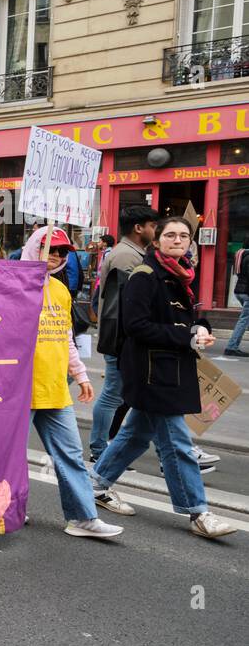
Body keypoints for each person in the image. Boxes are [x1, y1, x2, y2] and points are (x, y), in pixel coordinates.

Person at [89, 217, 236, 539]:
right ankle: (198, 511)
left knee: (136, 435)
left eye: (184, 235)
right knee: (177, 443)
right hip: (150, 371)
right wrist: (186, 336)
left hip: (170, 368)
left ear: (190, 241)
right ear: (157, 240)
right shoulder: (145, 275)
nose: (177, 240)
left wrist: (202, 328)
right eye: (170, 234)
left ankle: (95, 484)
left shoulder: (181, 273)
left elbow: (186, 317)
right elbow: (136, 326)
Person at [19, 227, 122, 538]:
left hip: (54, 386)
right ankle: (7, 508)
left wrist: (80, 375)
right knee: (8, 457)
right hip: (17, 388)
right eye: (49, 248)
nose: (56, 256)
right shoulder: (10, 286)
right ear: (33, 247)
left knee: (72, 454)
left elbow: (65, 339)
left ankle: (82, 517)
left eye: (63, 252)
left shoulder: (62, 291)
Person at [91, 206, 157, 463]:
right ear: (138, 228)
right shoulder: (126, 256)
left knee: (123, 393)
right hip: (120, 337)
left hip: (123, 336)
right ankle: (99, 448)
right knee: (113, 393)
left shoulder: (133, 253)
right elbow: (124, 304)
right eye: (152, 225)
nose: (155, 230)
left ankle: (110, 446)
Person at [223, 244, 249, 358]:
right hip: (247, 292)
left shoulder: (241, 254)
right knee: (243, 321)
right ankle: (231, 347)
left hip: (239, 290)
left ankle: (232, 346)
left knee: (245, 320)